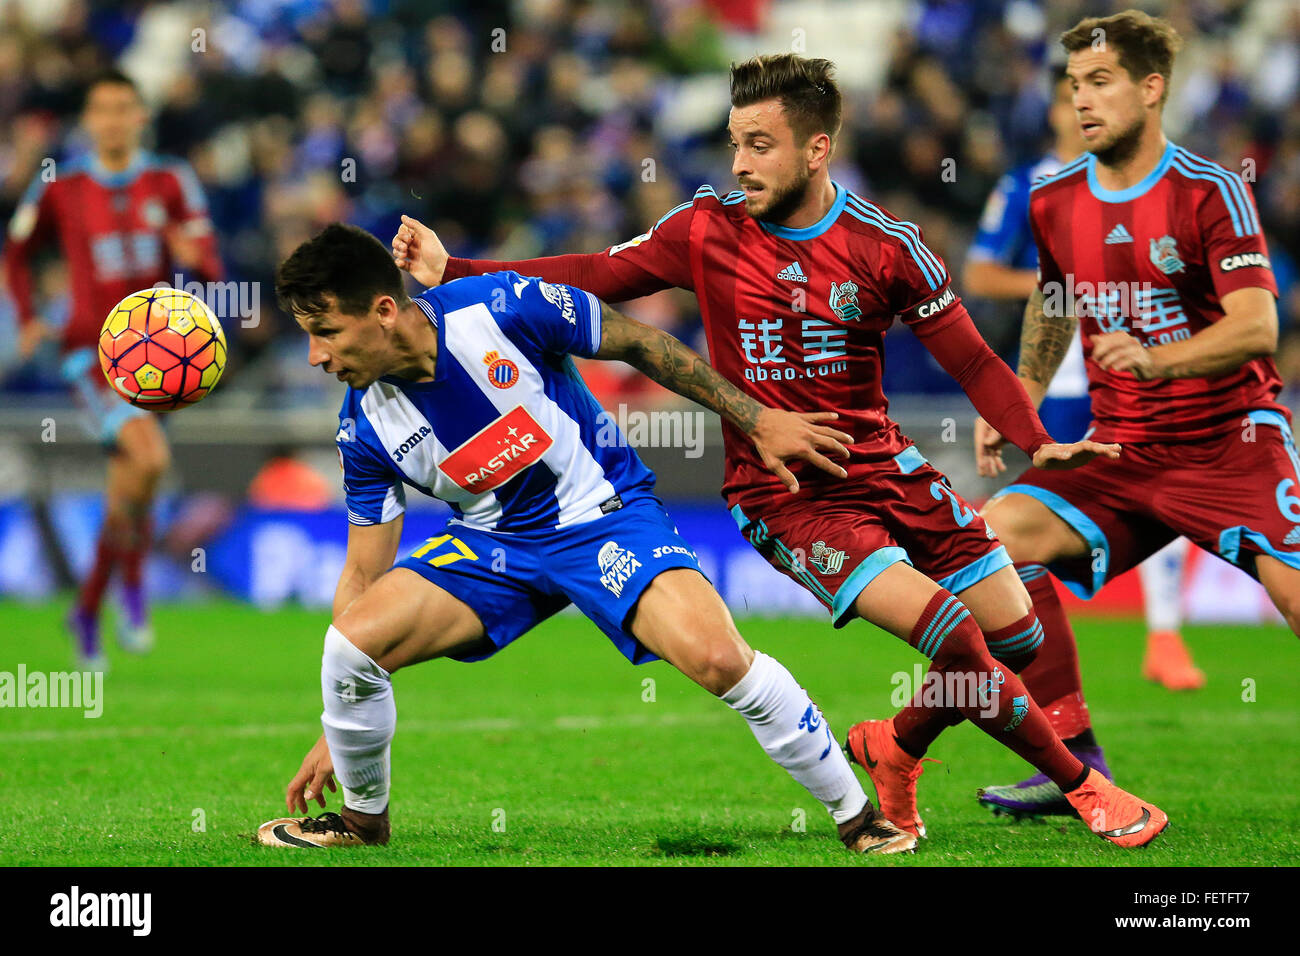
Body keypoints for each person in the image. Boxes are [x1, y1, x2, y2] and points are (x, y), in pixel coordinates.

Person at [392, 53, 1167, 847]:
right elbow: (593, 273)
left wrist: (1038, 439)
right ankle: (1088, 790)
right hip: (786, 496)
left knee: (1017, 634)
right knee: (954, 630)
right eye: (736, 142)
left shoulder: (889, 247)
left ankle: (894, 748)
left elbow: (969, 358)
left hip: (883, 465)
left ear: (817, 149)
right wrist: (457, 269)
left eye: (760, 144)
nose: (739, 163)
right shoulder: (706, 229)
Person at [256, 223, 916, 854]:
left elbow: (638, 342)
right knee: (349, 645)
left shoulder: (502, 306)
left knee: (717, 658)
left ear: (383, 311)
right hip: (492, 546)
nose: (316, 356)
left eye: (326, 332)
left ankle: (859, 818)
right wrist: (337, 722)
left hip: (601, 515)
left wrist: (756, 419)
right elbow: (362, 579)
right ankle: (362, 824)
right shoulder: (363, 425)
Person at [972, 10, 1298, 817]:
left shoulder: (1209, 191)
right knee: (988, 545)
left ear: (1151, 90)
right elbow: (1054, 298)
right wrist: (1020, 398)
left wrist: (1159, 358)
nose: (1081, 101)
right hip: (1122, 455)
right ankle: (1074, 762)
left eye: (1101, 82)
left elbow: (1259, 324)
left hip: (1231, 448)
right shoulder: (1053, 199)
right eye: (1075, 84)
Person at [3, 69, 222, 669]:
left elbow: (213, 266)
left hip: (164, 359)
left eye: (124, 108)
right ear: (89, 120)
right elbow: (17, 253)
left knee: (131, 487)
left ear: (140, 116)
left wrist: (193, 258)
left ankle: (92, 604)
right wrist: (26, 318)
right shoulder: (62, 185)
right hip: (90, 355)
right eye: (101, 110)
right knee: (149, 460)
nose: (112, 120)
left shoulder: (170, 180)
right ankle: (128, 590)